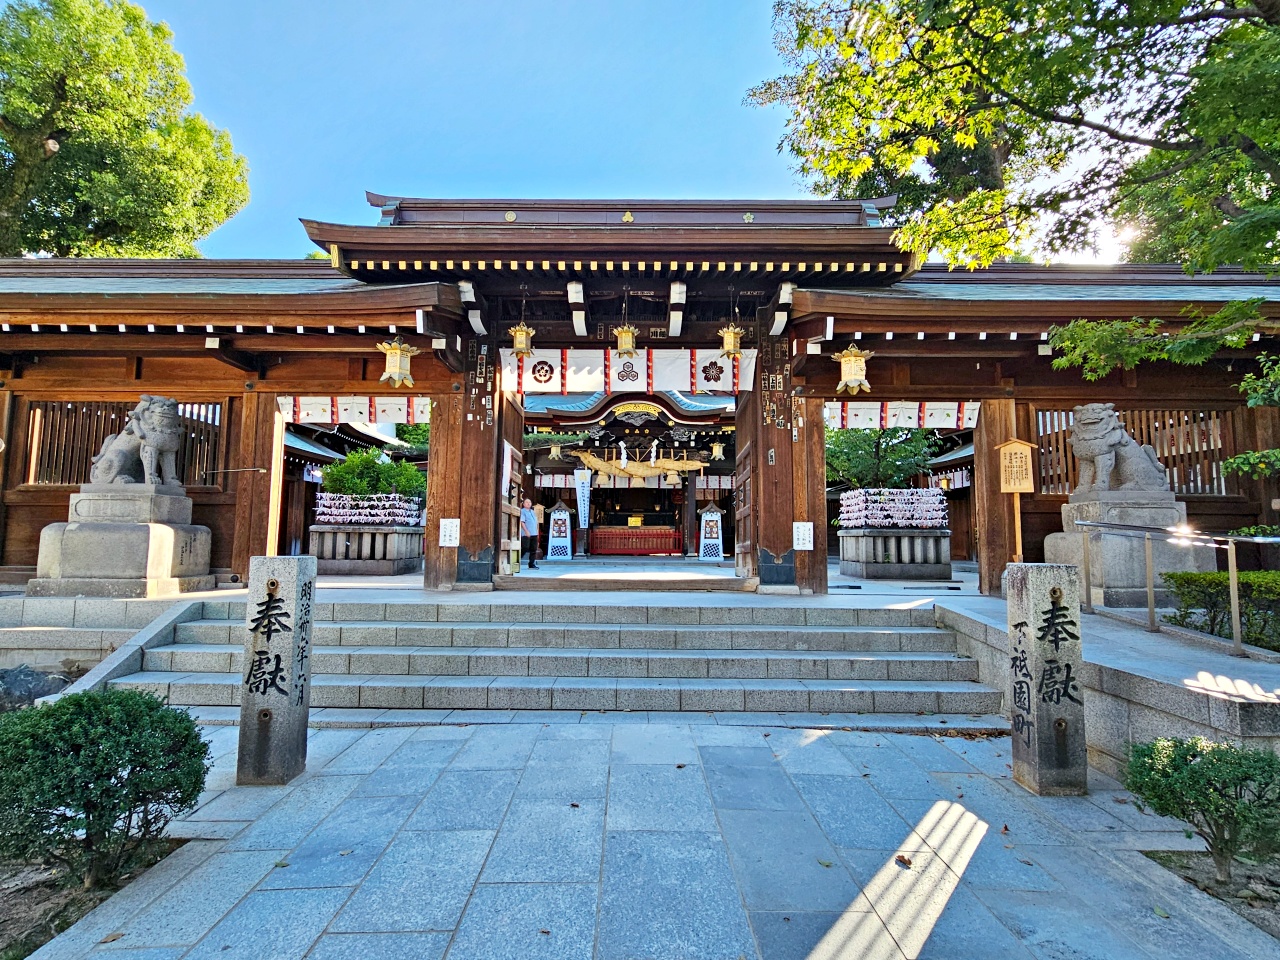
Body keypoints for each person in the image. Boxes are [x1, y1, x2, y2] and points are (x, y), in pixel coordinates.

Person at [519, 498, 539, 570]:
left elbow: (536, 523)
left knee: (533, 549)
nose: (528, 503)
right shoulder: (522, 511)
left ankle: (531, 564)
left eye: (529, 502)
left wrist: (537, 532)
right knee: (525, 547)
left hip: (534, 533)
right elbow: (522, 522)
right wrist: (526, 531)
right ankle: (517, 560)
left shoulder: (533, 512)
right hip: (526, 533)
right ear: (523, 504)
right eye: (527, 502)